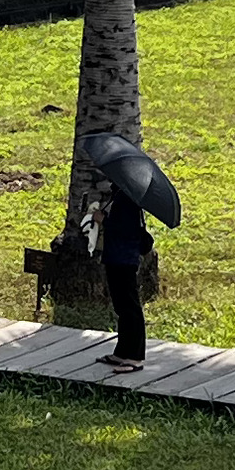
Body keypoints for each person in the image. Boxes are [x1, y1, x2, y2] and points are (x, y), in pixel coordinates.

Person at [92, 148, 154, 370]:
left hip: (124, 258)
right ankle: (122, 351)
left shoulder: (128, 198)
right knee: (121, 306)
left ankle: (135, 356)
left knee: (129, 307)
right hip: (116, 255)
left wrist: (103, 220)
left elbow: (125, 229)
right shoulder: (119, 194)